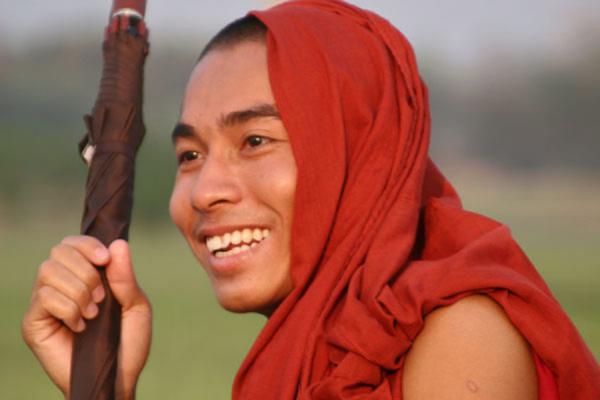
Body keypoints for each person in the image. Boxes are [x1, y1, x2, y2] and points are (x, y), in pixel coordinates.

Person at [21, 1, 599, 399]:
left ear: (359, 155)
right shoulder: (310, 344)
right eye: (190, 156)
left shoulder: (461, 334)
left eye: (254, 141)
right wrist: (108, 387)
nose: (206, 191)